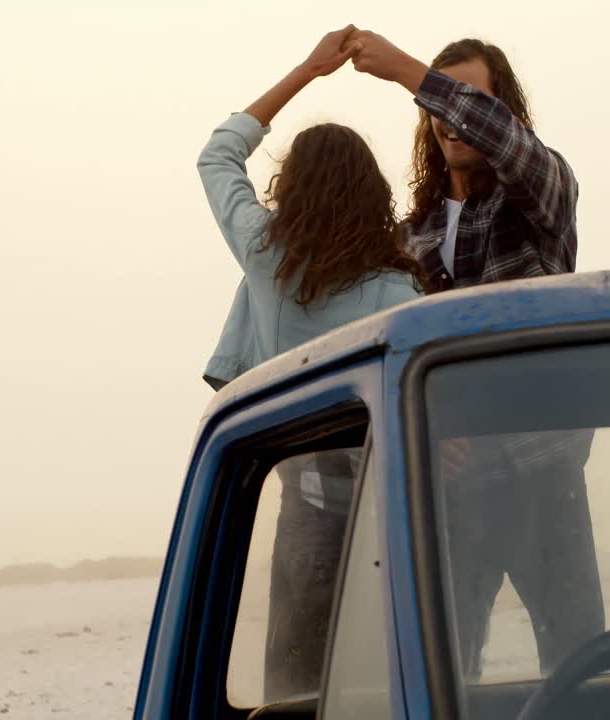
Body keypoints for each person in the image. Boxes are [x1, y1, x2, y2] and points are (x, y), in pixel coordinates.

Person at [346, 31, 605, 677]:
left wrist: (407, 71)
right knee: (445, 668)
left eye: (467, 100)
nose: (448, 118)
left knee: (578, 661)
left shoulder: (541, 195)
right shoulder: (413, 234)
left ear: (502, 110)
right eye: (439, 104)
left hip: (541, 467)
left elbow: (509, 143)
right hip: (452, 488)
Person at [196, 26, 427, 701]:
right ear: (371, 193)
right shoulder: (399, 290)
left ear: (291, 187)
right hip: (384, 503)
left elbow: (218, 156)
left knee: (293, 691)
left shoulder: (266, 255)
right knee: (384, 683)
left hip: (306, 497)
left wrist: (307, 71)